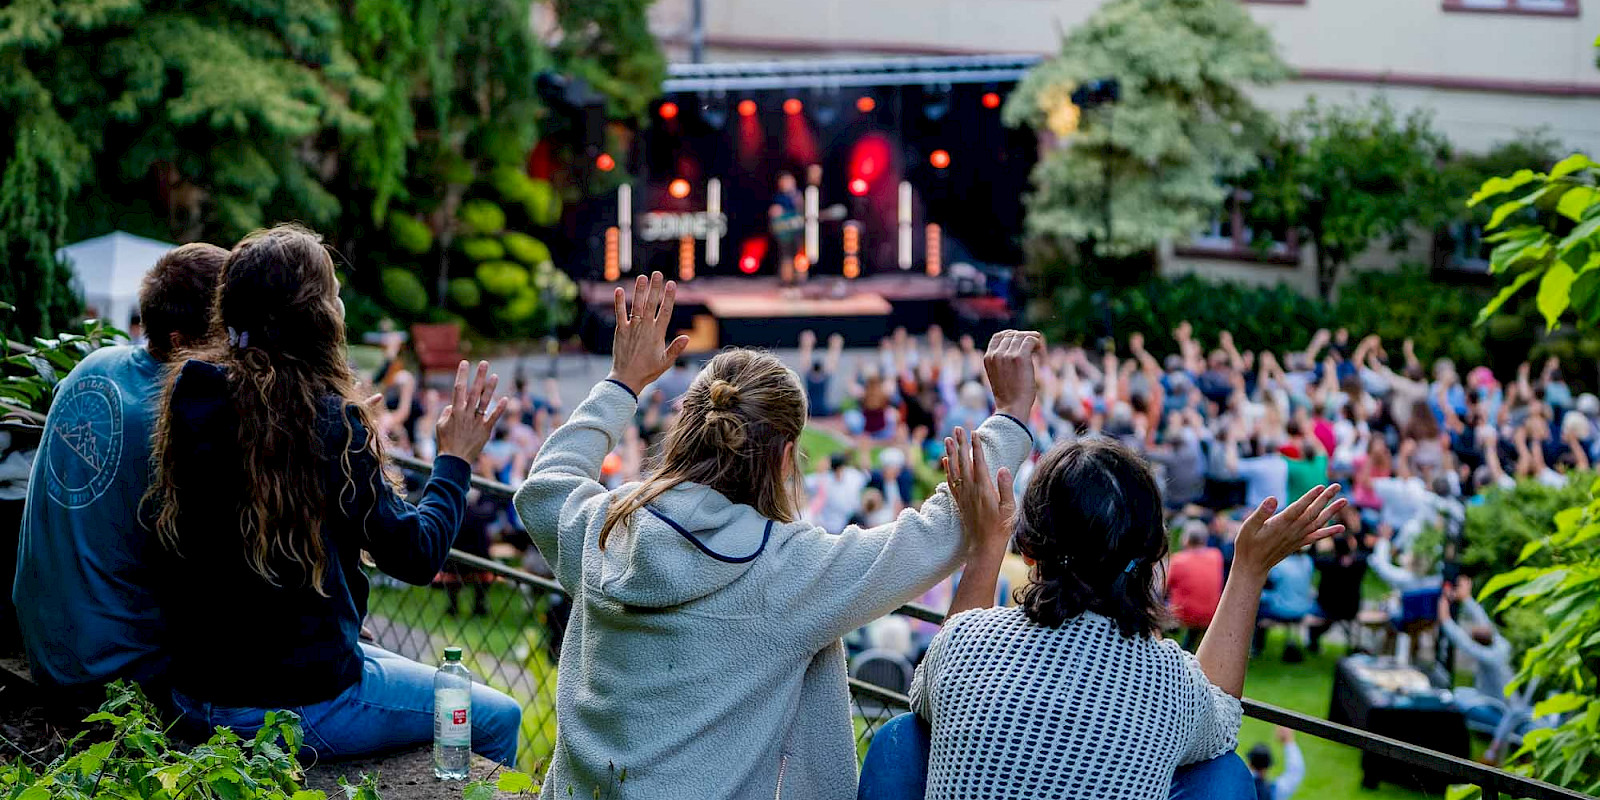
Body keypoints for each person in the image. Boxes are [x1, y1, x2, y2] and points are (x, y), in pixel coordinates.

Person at [511, 271, 1038, 799]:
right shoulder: (786, 570)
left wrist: (621, 382)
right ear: (786, 458)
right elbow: (942, 530)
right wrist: (1011, 417)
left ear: (685, 435)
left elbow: (546, 485)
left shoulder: (602, 527)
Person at [145, 225, 521, 764]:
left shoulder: (193, 393)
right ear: (316, 317)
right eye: (334, 295)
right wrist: (456, 459)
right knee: (495, 718)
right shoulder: (328, 421)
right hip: (293, 707)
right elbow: (416, 555)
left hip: (197, 693)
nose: (341, 306)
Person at [900, 431, 1345, 799]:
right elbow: (1223, 719)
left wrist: (987, 544)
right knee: (1224, 775)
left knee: (896, 741)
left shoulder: (964, 642)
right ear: (1153, 556)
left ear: (1030, 550)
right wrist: (1248, 569)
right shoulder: (1171, 683)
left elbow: (926, 696)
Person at [14, 242, 227, 693]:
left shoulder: (94, 365)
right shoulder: (173, 417)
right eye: (226, 332)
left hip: (47, 647)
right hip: (114, 672)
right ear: (181, 342)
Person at [1437, 577, 1525, 761]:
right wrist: (1466, 598)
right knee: (1460, 692)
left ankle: (1483, 752)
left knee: (1456, 699)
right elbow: (1484, 622)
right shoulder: (1501, 645)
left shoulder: (1488, 657)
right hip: (1505, 702)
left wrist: (1444, 614)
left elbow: (1460, 639)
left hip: (1500, 709)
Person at [1167, 524, 1225, 650]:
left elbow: (1163, 588)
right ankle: (1189, 647)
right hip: (1212, 612)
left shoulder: (1178, 560)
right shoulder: (1216, 556)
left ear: (1185, 539)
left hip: (1184, 613)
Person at [1246, 727, 1305, 800]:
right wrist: (1289, 741)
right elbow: (1295, 772)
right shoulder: (1274, 792)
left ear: (1249, 763)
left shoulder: (1237, 784)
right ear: (1266, 768)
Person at [770, 172, 805, 287]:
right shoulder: (779, 198)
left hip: (797, 231)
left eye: (789, 181)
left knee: (799, 255)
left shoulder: (798, 195)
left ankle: (799, 278)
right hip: (784, 232)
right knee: (786, 256)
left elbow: (802, 211)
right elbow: (774, 213)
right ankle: (786, 279)